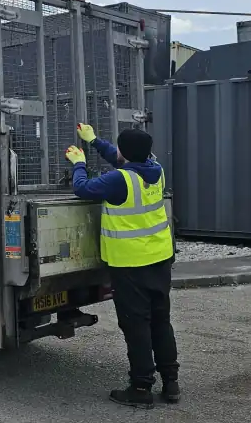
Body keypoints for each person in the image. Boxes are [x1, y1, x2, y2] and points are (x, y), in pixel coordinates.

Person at [65, 123, 179, 407]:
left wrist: (79, 163)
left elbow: (81, 188)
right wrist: (93, 141)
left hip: (130, 265)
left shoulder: (119, 180)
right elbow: (121, 157)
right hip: (159, 260)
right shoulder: (156, 170)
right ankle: (171, 383)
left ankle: (141, 389)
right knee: (161, 321)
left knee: (136, 325)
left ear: (124, 154)